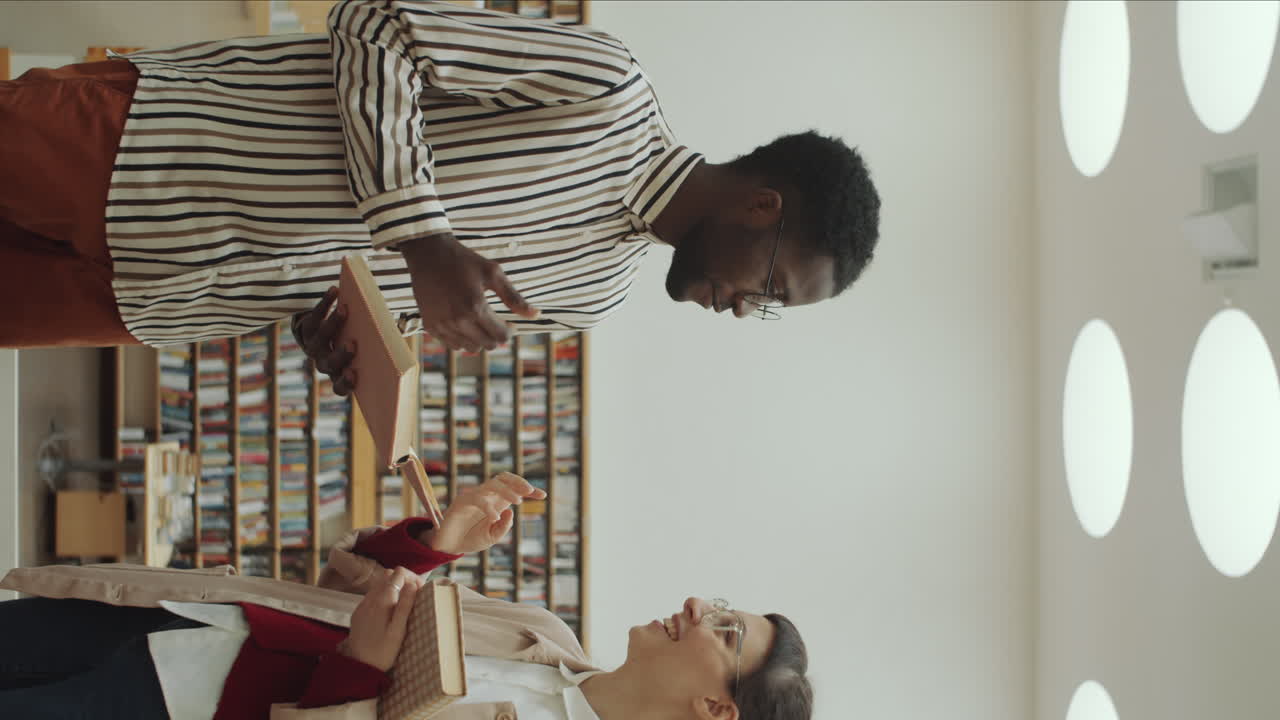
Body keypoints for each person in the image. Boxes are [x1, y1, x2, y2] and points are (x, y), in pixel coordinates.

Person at [0, 0, 880, 351]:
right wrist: (423, 236)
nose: (742, 307)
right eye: (769, 285)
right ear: (762, 205)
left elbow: (379, 303)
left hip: (162, 303)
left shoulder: (594, 296)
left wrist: (341, 342)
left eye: (767, 309)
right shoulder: (609, 86)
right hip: (147, 152)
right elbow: (377, 25)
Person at [0, 472, 812, 720]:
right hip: (176, 622)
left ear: (718, 709)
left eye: (728, 630)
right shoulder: (540, 627)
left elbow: (359, 657)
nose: (703, 607)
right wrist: (435, 545)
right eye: (724, 602)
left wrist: (360, 672)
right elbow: (339, 596)